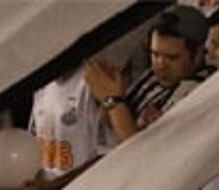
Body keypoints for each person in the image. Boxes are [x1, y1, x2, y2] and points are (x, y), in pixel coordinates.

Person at [85, 10, 204, 144]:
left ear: (198, 55)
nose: (160, 65)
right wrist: (111, 93)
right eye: (155, 54)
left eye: (172, 58)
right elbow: (111, 122)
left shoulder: (199, 90)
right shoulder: (153, 76)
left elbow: (142, 150)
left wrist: (112, 100)